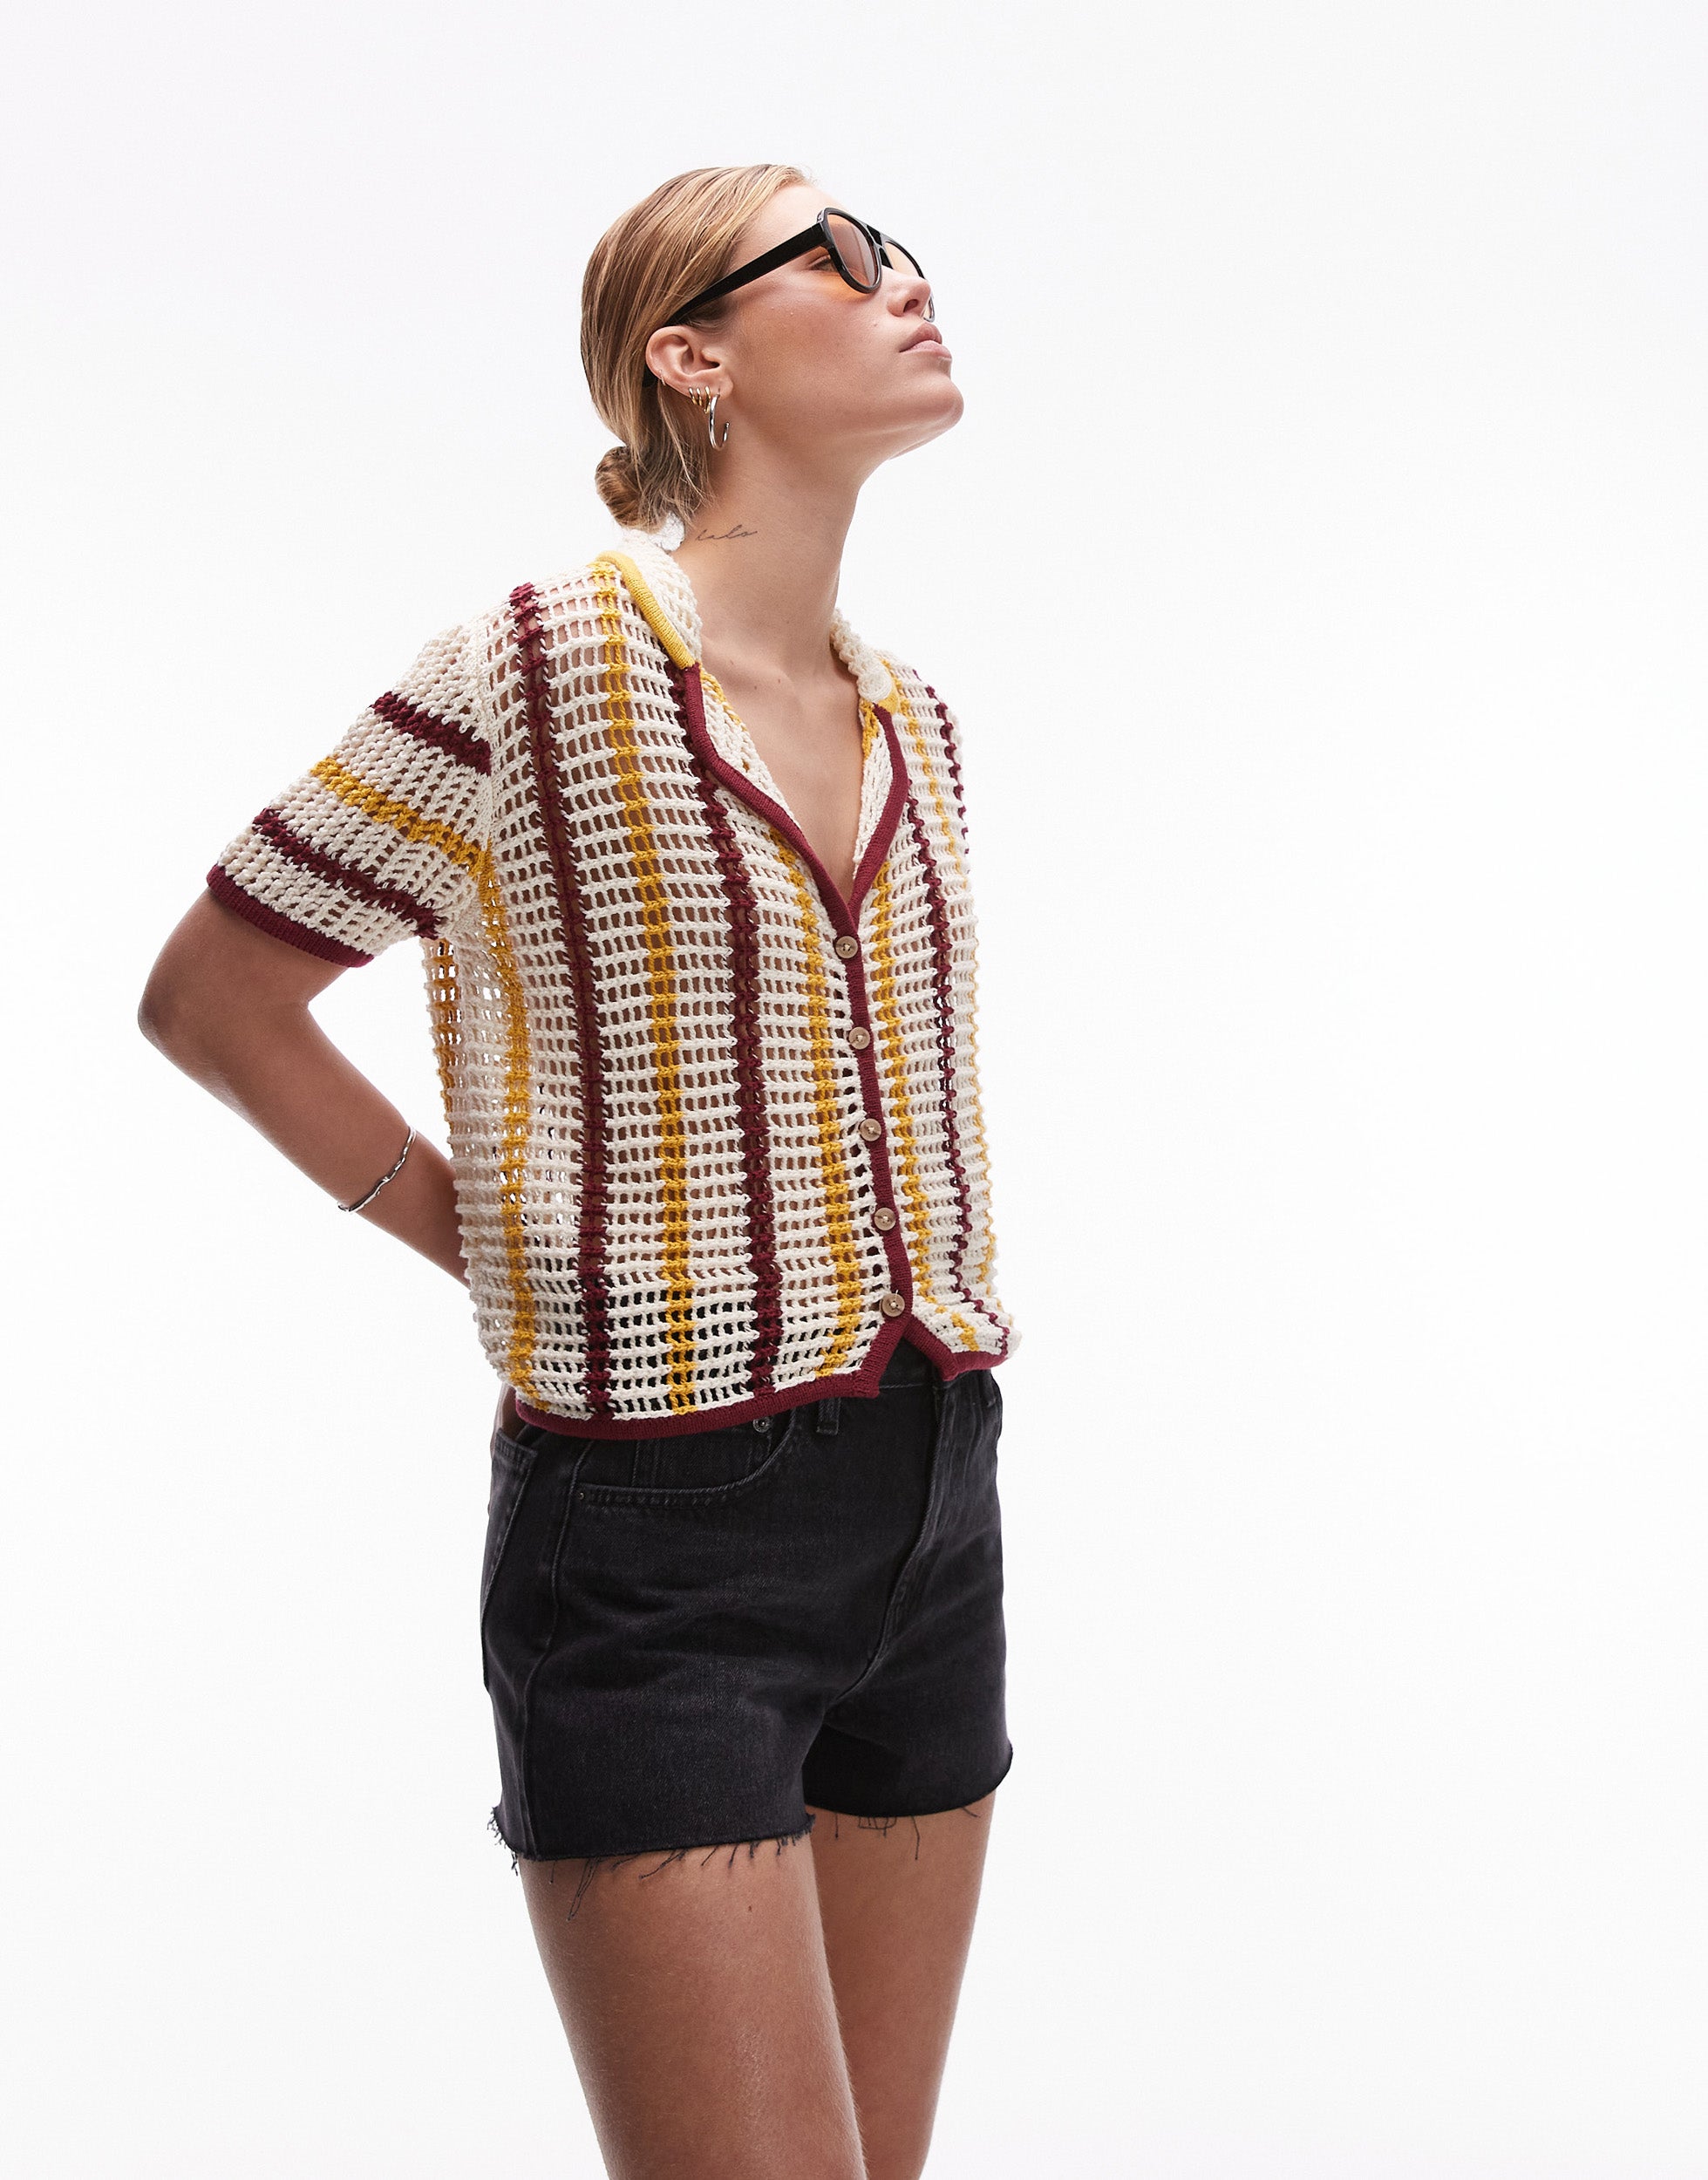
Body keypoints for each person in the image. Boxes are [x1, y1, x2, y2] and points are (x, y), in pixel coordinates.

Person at [139, 162, 1021, 2180]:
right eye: (840, 256)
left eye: (903, 251)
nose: (902, 280)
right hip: (657, 1542)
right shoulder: (532, 663)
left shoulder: (917, 718)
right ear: (689, 354)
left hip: (934, 1494)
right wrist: (496, 1244)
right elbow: (215, 996)